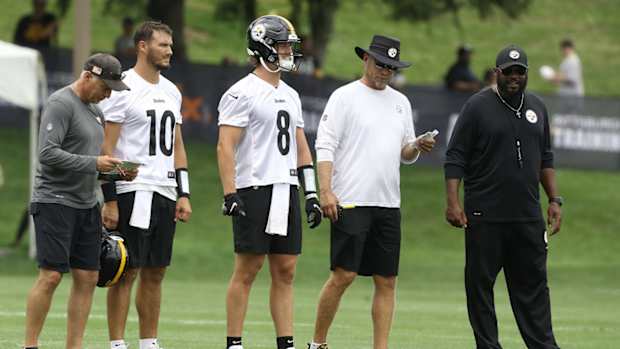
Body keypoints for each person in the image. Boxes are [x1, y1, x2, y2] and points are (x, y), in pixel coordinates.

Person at [308, 35, 436, 349]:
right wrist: (325, 191)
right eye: (381, 64)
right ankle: (318, 343)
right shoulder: (344, 97)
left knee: (387, 280)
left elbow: (404, 153)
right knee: (344, 276)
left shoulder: (400, 102)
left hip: (387, 203)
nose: (385, 71)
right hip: (350, 199)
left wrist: (416, 145)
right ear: (365, 59)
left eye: (391, 67)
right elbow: (325, 146)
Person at [444, 44, 563, 349]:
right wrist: (453, 202)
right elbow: (455, 156)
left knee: (534, 290)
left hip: (527, 217)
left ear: (526, 74)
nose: (513, 77)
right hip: (486, 216)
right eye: (507, 72)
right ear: (496, 72)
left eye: (519, 72)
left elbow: (546, 158)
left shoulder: (537, 107)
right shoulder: (477, 106)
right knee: (480, 288)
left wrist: (554, 199)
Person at [217, 15, 322, 349]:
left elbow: (301, 147)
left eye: (289, 46)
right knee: (248, 268)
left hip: (285, 187)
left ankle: (285, 342)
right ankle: (234, 342)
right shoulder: (241, 93)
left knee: (287, 269)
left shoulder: (290, 94)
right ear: (263, 48)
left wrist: (311, 194)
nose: (288, 52)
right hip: (255, 187)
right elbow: (225, 145)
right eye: (281, 46)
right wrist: (230, 192)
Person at [24, 53, 130, 349]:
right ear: (87, 76)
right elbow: (47, 154)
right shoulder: (61, 104)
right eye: (106, 87)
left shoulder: (96, 111)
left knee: (88, 277)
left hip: (86, 204)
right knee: (52, 276)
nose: (108, 94)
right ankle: (30, 344)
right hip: (55, 201)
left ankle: (75, 346)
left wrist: (116, 173)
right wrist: (95, 163)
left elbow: (89, 161)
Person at [98, 21, 193, 349]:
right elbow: (107, 149)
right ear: (142, 46)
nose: (170, 50)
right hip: (132, 188)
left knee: (156, 271)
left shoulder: (172, 90)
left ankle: (149, 342)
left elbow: (177, 145)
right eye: (163, 45)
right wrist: (109, 198)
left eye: (170, 45)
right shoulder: (122, 85)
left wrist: (184, 192)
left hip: (165, 190)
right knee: (127, 269)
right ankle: (117, 343)